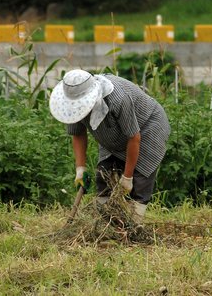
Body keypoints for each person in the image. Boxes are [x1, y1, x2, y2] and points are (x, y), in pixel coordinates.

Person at [49, 69, 171, 223]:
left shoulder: (118, 99)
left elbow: (134, 137)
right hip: (112, 134)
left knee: (139, 182)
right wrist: (80, 169)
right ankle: (107, 225)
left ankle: (133, 228)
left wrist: (127, 177)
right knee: (104, 176)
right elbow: (78, 134)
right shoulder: (72, 105)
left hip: (147, 128)